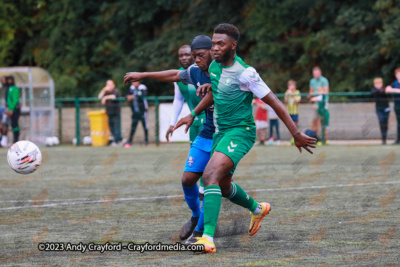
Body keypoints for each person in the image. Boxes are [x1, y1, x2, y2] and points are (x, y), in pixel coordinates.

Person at [174, 23, 316, 253]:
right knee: (223, 185)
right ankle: (258, 209)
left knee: (209, 176)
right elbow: (217, 90)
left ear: (233, 45)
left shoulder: (246, 73)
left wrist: (296, 133)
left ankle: (206, 238)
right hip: (221, 133)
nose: (216, 48)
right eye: (214, 44)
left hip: (241, 131)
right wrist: (197, 108)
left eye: (221, 44)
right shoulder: (214, 69)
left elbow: (274, 102)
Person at [124, 35, 216, 244]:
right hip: (202, 129)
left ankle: (202, 232)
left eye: (195, 55)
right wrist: (143, 74)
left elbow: (223, 91)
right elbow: (175, 80)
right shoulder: (193, 72)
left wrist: (194, 111)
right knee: (188, 179)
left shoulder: (222, 70)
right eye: (189, 55)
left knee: (212, 182)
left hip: (224, 132)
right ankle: (197, 216)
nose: (192, 59)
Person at [166, 45, 206, 145]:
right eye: (181, 55)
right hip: (192, 119)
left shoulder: (203, 71)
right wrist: (172, 123)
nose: (183, 58)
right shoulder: (178, 75)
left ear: (193, 56)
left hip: (208, 119)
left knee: (209, 154)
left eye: (187, 55)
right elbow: (178, 99)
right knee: (194, 155)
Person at [124, 81, 149, 147]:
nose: (134, 83)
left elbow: (142, 95)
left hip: (143, 111)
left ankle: (146, 140)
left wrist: (133, 96)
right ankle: (130, 141)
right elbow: (126, 95)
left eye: (135, 82)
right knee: (133, 126)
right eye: (132, 82)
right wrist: (128, 97)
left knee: (145, 126)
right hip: (135, 111)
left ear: (138, 82)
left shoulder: (142, 87)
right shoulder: (131, 88)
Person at [98, 80, 122, 145]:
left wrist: (105, 98)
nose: (109, 86)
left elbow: (114, 97)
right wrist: (103, 90)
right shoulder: (105, 92)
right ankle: (117, 140)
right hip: (109, 112)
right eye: (108, 85)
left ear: (113, 85)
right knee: (111, 127)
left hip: (116, 112)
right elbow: (99, 97)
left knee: (117, 127)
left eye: (110, 84)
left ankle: (117, 141)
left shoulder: (116, 91)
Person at [309, 66, 329, 134]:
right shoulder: (312, 81)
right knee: (315, 120)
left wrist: (317, 95)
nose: (316, 75)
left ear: (320, 73)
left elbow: (326, 92)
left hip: (323, 103)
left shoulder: (324, 80)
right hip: (316, 103)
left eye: (317, 73)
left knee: (323, 121)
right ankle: (316, 137)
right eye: (314, 73)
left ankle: (324, 138)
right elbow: (311, 92)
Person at [371, 78, 390, 144]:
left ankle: (385, 138)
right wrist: (379, 90)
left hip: (386, 108)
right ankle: (383, 138)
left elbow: (386, 92)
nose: (378, 85)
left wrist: (382, 90)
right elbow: (373, 93)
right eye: (376, 83)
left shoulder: (385, 88)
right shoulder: (374, 90)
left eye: (379, 83)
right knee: (381, 122)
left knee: (385, 123)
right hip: (379, 109)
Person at [385, 68, 400, 144]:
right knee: (398, 122)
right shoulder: (395, 83)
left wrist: (393, 90)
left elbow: (391, 90)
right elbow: (387, 89)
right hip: (397, 105)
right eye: (398, 74)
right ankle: (398, 140)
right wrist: (396, 90)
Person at [5, 76, 20, 143]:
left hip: (15, 110)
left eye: (10, 80)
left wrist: (11, 109)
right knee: (12, 125)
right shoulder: (8, 88)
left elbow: (15, 99)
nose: (9, 81)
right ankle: (13, 140)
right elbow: (8, 101)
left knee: (15, 124)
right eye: (8, 80)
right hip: (10, 110)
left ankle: (16, 139)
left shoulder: (15, 88)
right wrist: (8, 109)